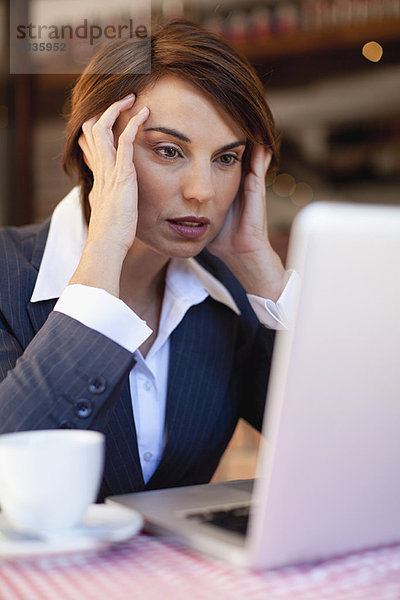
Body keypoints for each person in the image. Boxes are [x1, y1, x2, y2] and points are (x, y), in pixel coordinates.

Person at [0, 19, 296, 501]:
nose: (202, 192)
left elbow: (349, 451)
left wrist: (259, 264)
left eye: (225, 158)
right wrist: (105, 252)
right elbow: (10, 472)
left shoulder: (232, 297)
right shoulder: (6, 274)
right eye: (167, 150)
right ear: (98, 147)